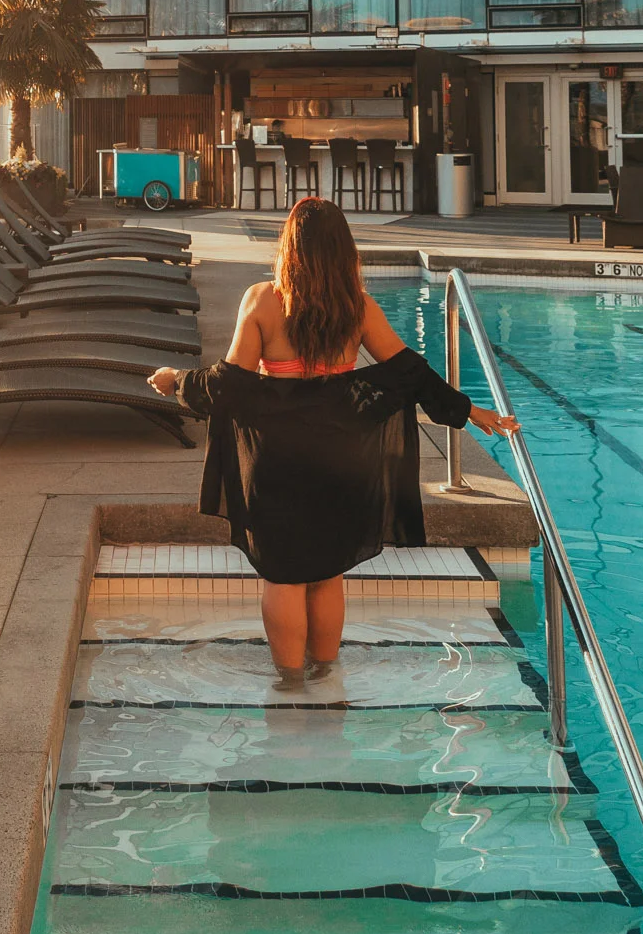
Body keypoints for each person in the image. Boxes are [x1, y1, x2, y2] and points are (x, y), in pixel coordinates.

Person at [149, 196, 517, 690]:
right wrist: (468, 411)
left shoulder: (262, 300)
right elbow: (410, 373)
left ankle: (289, 685)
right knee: (326, 574)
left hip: (277, 460)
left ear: (290, 248)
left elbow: (228, 385)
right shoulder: (357, 307)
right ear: (343, 250)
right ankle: (326, 678)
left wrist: (177, 381)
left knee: (282, 575)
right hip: (341, 460)